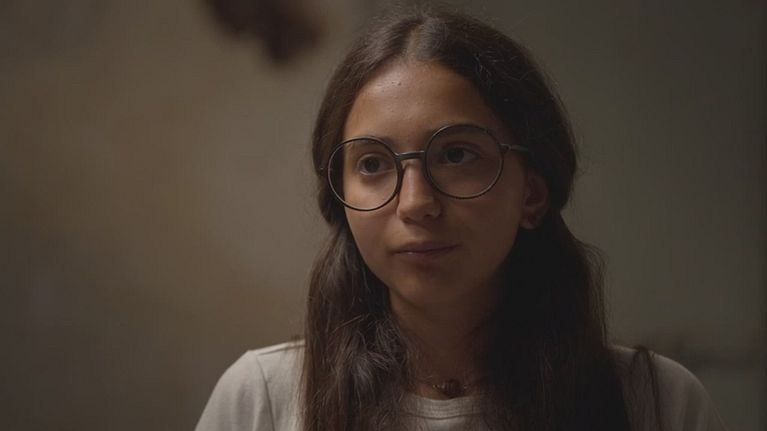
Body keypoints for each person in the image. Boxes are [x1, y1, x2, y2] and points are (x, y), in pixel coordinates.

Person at [195, 7, 727, 431]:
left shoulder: (655, 403)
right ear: (342, 199)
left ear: (532, 193)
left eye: (455, 155)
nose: (415, 203)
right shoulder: (264, 400)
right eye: (373, 164)